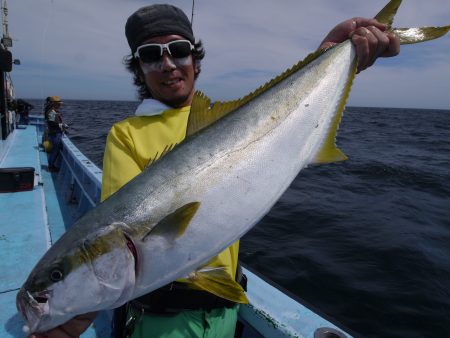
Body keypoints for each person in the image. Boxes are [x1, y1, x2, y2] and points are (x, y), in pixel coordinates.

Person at [28, 4, 400, 338]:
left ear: (196, 59)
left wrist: (335, 53)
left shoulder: (236, 117)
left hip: (225, 313)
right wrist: (79, 308)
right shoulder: (126, 135)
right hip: (162, 324)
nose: (168, 64)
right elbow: (115, 236)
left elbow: (288, 103)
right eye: (151, 56)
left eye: (178, 51)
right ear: (138, 69)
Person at [44, 96, 68, 172]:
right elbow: (51, 123)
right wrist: (61, 125)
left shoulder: (54, 111)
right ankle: (50, 167)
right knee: (55, 151)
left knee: (55, 150)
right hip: (55, 134)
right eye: (58, 103)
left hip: (56, 133)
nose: (60, 105)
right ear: (54, 104)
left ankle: (51, 165)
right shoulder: (51, 112)